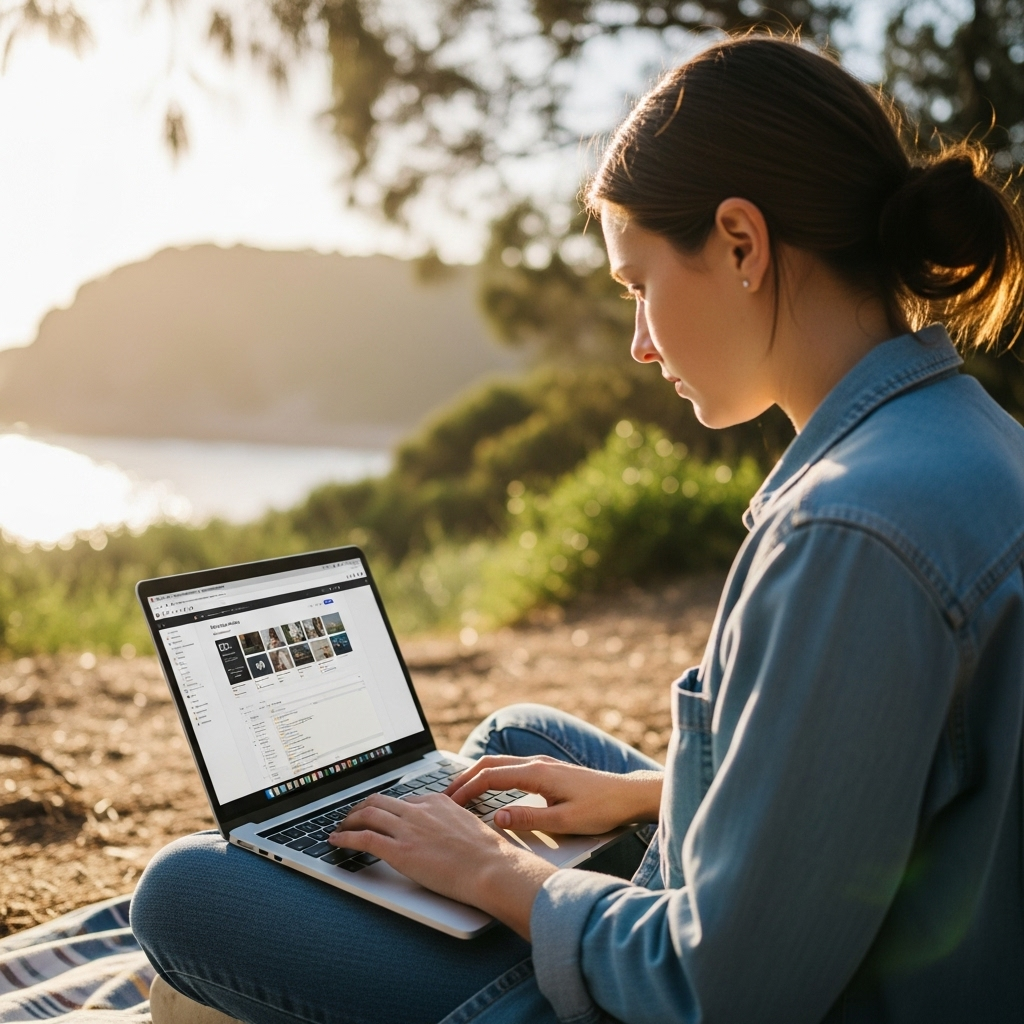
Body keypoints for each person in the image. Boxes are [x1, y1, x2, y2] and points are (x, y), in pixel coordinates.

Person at [130, 35, 1024, 1024]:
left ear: (740, 243)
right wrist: (646, 798)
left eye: (638, 284)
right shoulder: (958, 436)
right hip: (849, 926)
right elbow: (873, 783)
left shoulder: (849, 530)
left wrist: (502, 881)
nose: (639, 343)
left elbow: (717, 991)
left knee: (183, 893)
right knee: (516, 740)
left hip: (714, 995)